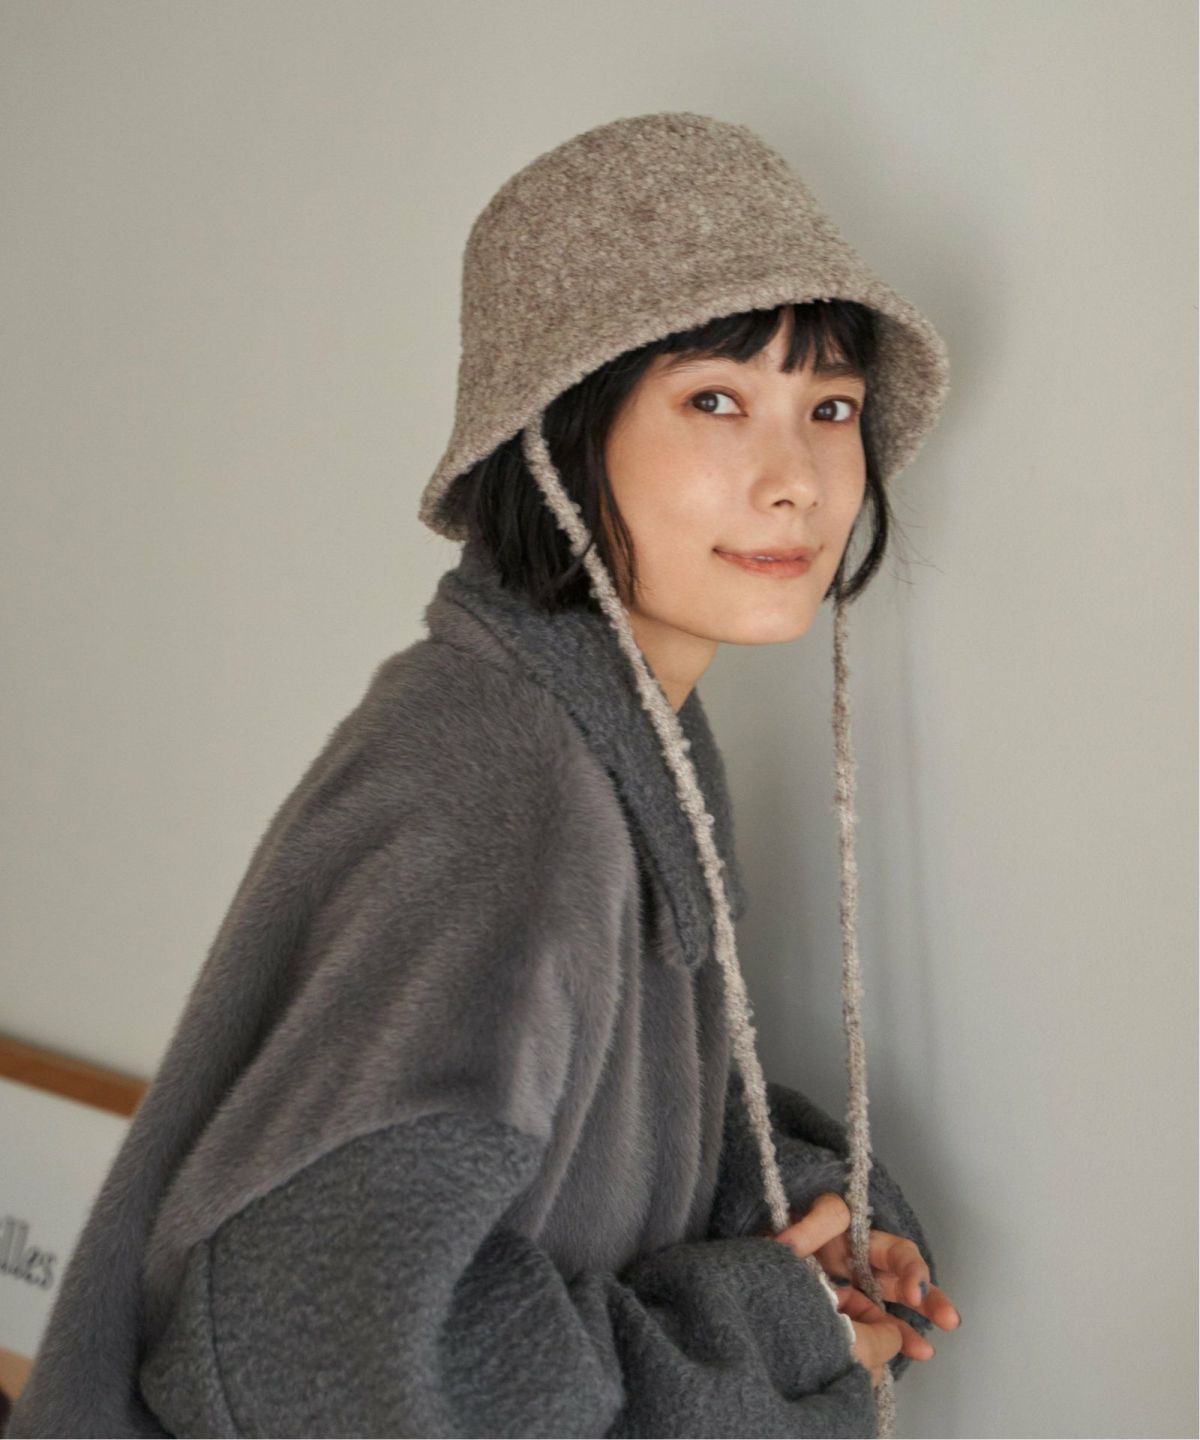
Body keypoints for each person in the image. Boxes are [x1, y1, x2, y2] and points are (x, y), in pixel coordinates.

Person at [5, 112, 959, 1440]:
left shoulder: (621, 730)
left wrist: (804, 1209)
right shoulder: (510, 786)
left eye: (831, 408)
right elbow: (310, 1350)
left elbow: (589, 1139)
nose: (796, 479)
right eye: (714, 400)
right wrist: (771, 1323)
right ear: (562, 433)